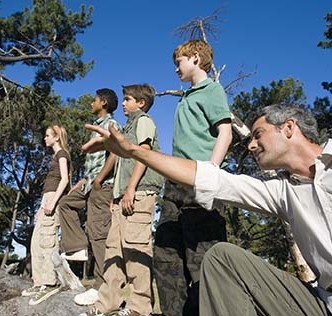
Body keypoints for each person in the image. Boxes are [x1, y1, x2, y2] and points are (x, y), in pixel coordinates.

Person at [82, 104, 332, 316]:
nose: (251, 145)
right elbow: (210, 179)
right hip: (321, 303)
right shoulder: (281, 192)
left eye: (258, 134)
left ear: (288, 128)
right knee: (222, 258)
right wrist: (134, 152)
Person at [154, 39, 232, 315]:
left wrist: (211, 171)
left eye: (180, 61)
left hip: (200, 177)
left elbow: (226, 132)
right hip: (174, 182)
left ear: (196, 58)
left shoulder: (212, 90)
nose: (176, 67)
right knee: (166, 253)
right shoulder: (186, 97)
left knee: (203, 257)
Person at [80, 84, 163, 316]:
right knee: (113, 252)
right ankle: (107, 304)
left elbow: (143, 156)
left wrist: (130, 190)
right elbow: (121, 164)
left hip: (139, 194)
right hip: (121, 198)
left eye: (127, 99)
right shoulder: (125, 128)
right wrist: (116, 196)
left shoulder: (144, 121)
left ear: (141, 103)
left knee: (135, 250)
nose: (123, 103)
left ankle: (139, 308)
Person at [58, 88, 121, 306]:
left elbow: (116, 152)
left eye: (94, 100)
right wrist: (84, 181)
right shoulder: (98, 127)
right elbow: (92, 162)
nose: (90, 103)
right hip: (89, 184)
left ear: (103, 102)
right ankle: (77, 248)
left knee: (98, 233)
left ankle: (102, 287)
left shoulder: (111, 125)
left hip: (102, 186)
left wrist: (99, 179)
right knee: (65, 204)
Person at [22, 125, 71, 305]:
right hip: (46, 200)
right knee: (36, 242)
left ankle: (50, 282)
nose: (45, 138)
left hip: (54, 199)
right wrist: (40, 207)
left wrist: (52, 202)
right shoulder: (54, 157)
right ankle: (39, 282)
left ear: (56, 137)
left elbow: (64, 179)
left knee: (47, 241)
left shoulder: (62, 154)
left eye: (47, 135)